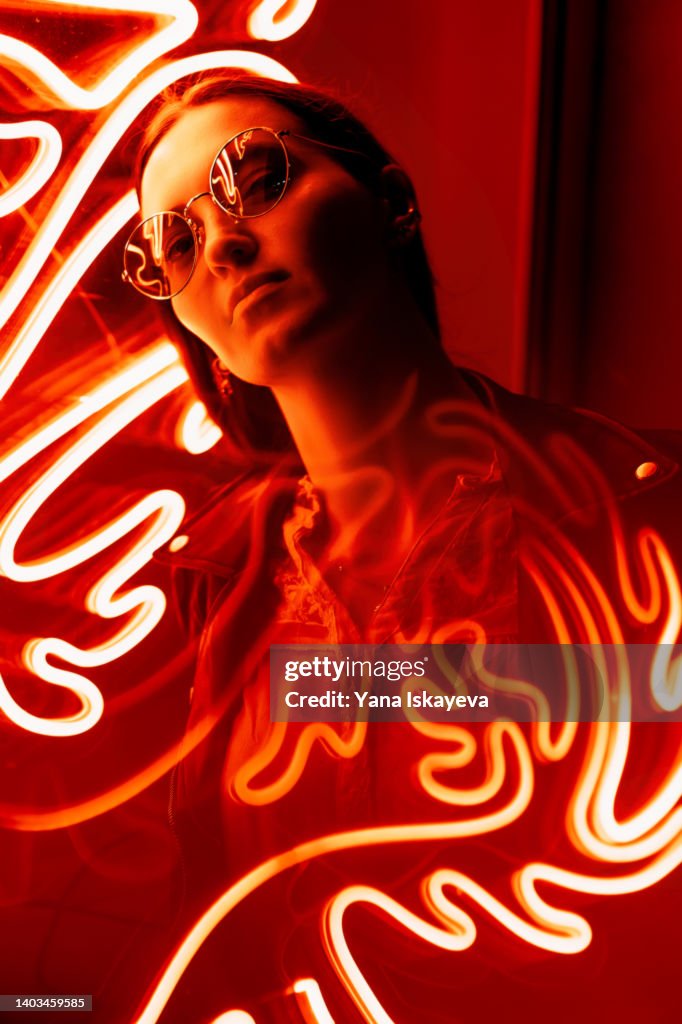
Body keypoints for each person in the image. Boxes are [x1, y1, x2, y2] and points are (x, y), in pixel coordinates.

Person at [124, 72, 682, 1023]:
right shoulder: (207, 584)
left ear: (389, 202)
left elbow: (649, 721)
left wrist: (344, 687)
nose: (221, 242)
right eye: (174, 244)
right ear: (201, 339)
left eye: (257, 179)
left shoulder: (641, 503)